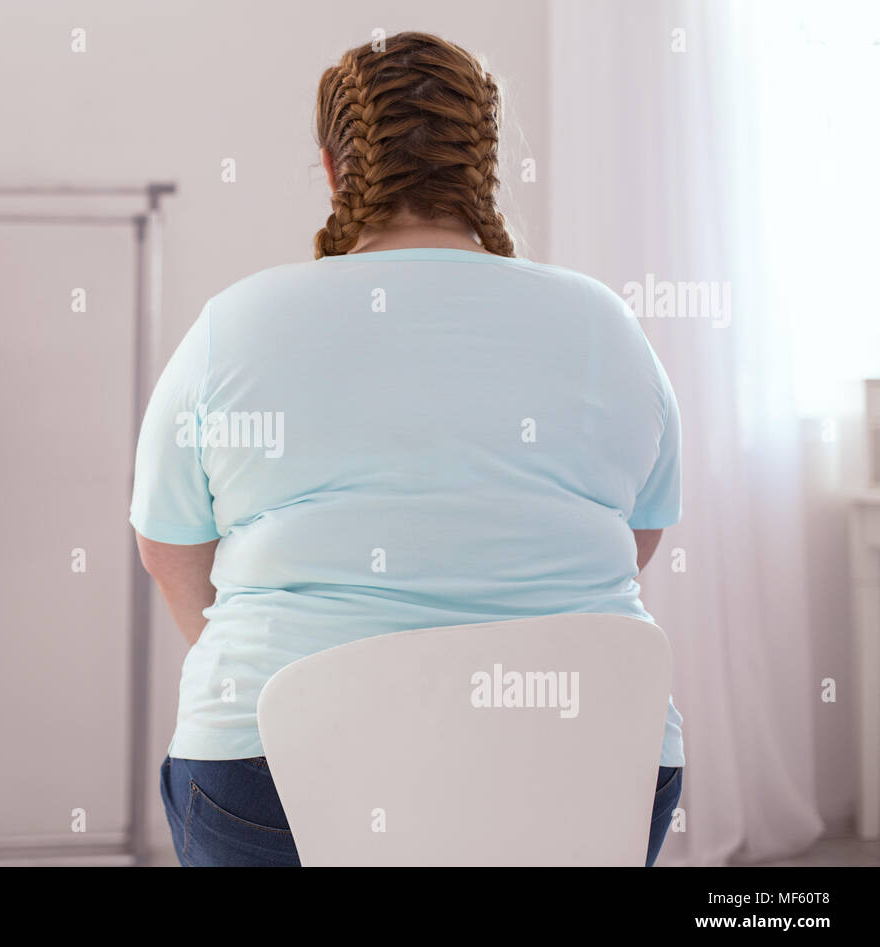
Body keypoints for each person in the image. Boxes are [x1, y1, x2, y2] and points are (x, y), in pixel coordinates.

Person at [131, 31, 683, 867]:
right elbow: (634, 543)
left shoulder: (232, 327)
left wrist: (299, 682)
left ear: (331, 168)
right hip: (586, 766)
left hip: (272, 775)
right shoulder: (609, 325)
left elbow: (169, 553)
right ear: (486, 169)